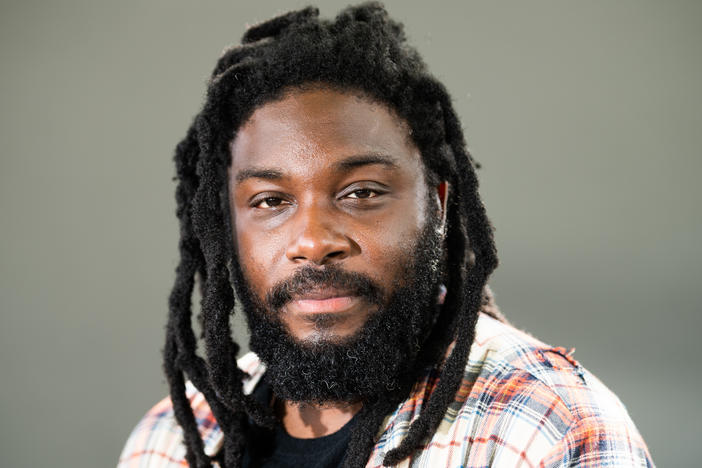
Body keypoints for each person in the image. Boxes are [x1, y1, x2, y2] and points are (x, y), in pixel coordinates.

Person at [118, 3, 654, 467]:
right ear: (225, 231)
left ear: (438, 209)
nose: (313, 240)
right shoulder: (174, 437)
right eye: (271, 201)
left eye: (362, 192)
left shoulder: (542, 427)